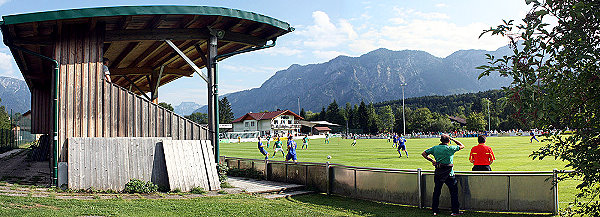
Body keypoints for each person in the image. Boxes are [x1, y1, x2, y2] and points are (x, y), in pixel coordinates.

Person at [421, 134, 465, 216]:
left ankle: (435, 210)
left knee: (437, 191)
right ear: (448, 141)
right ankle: (455, 211)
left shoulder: (435, 148)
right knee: (453, 192)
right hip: (449, 174)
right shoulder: (450, 148)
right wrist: (453, 138)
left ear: (440, 140)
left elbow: (424, 154)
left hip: (438, 172)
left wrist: (432, 160)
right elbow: (462, 145)